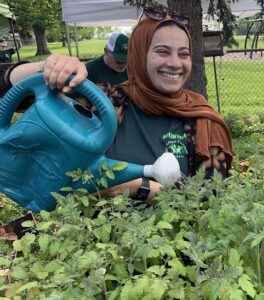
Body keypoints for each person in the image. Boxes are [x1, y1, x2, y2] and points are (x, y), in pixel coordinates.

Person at [3, 13, 233, 203]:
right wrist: (50, 67)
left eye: (183, 54)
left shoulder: (203, 119)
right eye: (162, 51)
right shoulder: (106, 102)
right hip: (99, 247)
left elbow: (211, 202)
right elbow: (11, 93)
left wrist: (144, 190)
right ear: (139, 55)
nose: (175, 63)